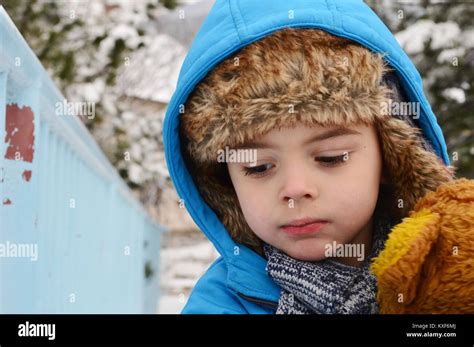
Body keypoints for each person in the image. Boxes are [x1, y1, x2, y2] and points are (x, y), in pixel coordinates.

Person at [163, 0, 454, 314]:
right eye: (258, 167)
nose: (295, 188)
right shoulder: (219, 305)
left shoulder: (452, 273)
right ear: (226, 183)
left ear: (391, 155)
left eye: (331, 157)